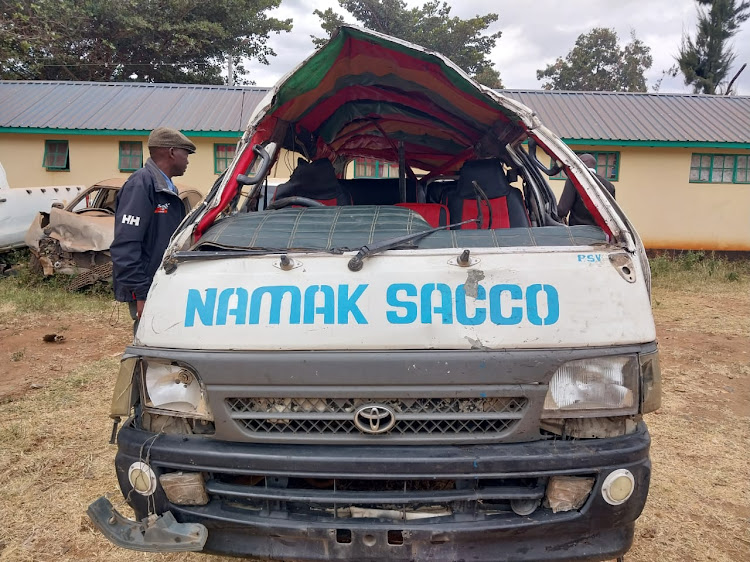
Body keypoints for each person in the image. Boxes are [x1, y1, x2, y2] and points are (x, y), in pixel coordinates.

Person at [111, 127, 196, 325]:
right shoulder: (140, 185)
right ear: (172, 152)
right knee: (150, 341)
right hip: (147, 288)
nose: (188, 160)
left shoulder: (168, 188)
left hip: (161, 282)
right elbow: (125, 245)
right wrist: (141, 293)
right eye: (186, 153)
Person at [557, 153, 615, 226]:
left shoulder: (574, 180)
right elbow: (612, 213)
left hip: (577, 231)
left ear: (579, 164)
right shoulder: (609, 186)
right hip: (600, 232)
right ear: (594, 166)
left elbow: (562, 210)